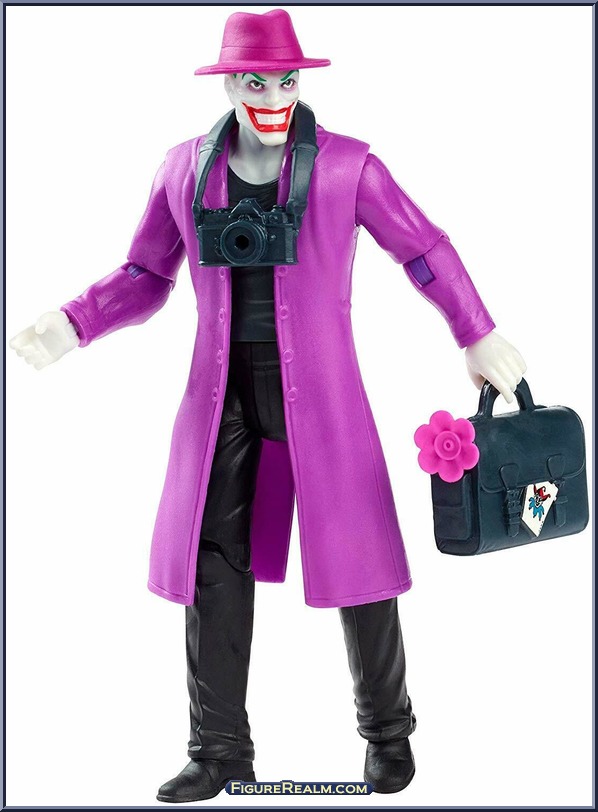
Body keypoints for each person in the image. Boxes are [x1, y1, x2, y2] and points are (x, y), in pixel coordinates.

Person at [10, 8, 526, 804]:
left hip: (320, 391)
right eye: (256, 82)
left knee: (358, 558)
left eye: (287, 81)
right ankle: (218, 749)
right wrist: (74, 321)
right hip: (220, 393)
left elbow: (422, 247)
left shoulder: (349, 167)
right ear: (229, 85)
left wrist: (476, 331)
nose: (275, 97)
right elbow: (146, 274)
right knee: (211, 563)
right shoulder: (183, 170)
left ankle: (389, 733)